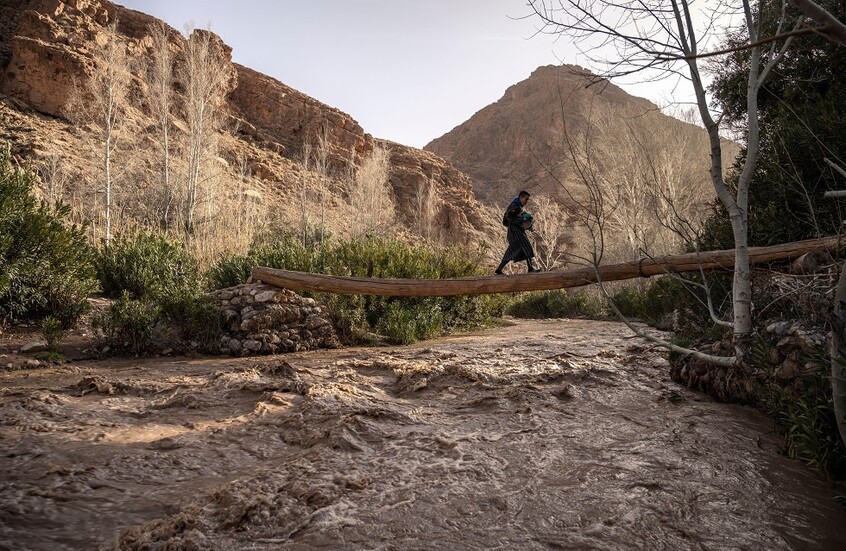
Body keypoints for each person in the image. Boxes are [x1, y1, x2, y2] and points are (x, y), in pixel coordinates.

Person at [495, 190, 540, 274]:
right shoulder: (515, 207)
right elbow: (510, 219)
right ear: (521, 197)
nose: (526, 201)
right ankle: (530, 268)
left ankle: (499, 269)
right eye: (525, 199)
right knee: (526, 246)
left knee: (512, 250)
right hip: (516, 231)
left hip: (513, 231)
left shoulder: (515, 206)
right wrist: (524, 219)